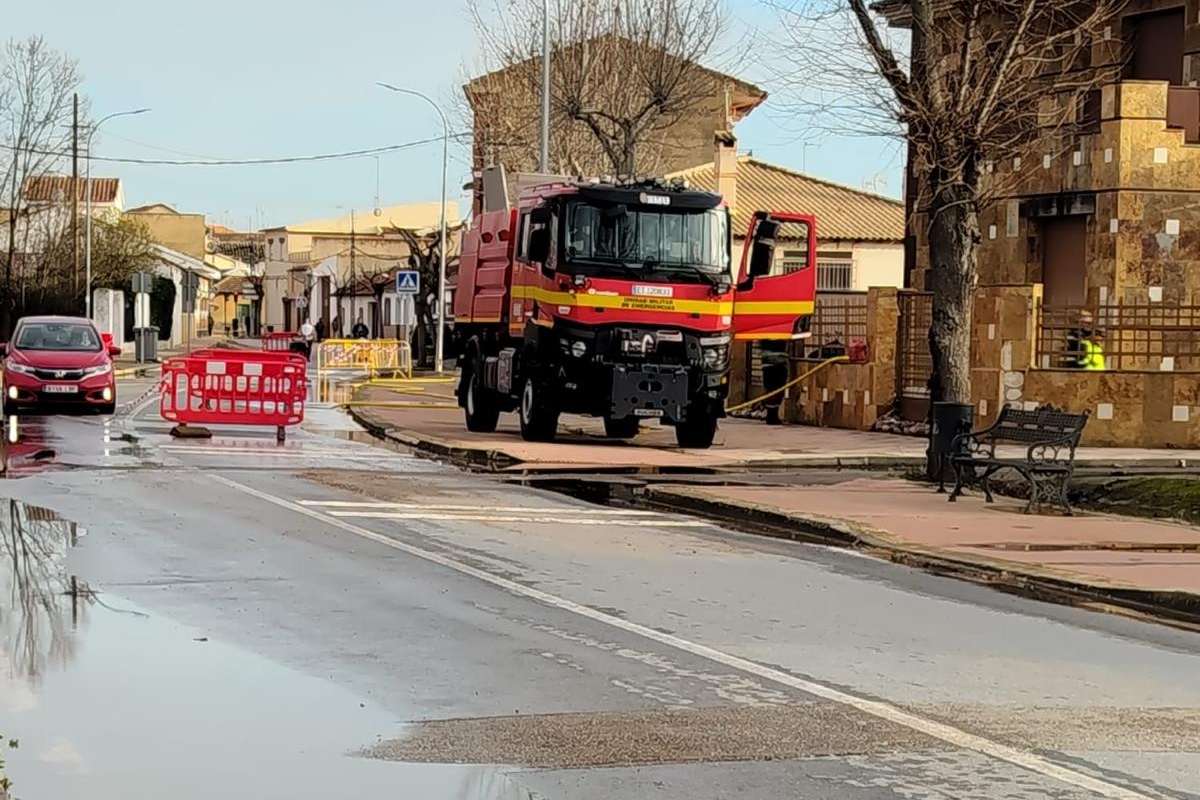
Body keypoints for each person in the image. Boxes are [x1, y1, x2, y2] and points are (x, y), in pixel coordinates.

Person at [760, 340, 790, 425]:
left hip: (768, 364)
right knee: (776, 390)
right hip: (777, 364)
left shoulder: (765, 332)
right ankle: (772, 416)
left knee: (771, 389)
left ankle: (771, 415)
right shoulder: (780, 333)